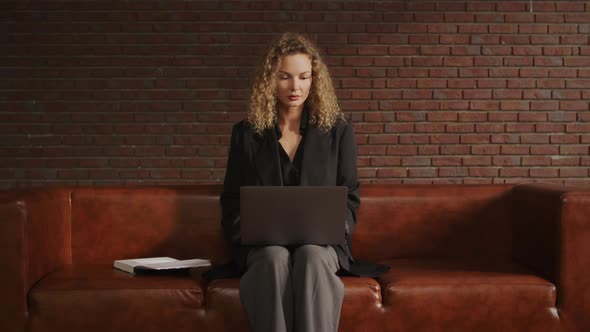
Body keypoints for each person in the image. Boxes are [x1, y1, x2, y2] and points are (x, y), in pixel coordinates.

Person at [212, 32, 389, 332]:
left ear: (314, 80)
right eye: (285, 77)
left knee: (311, 255)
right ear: (270, 80)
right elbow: (231, 200)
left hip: (321, 245)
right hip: (263, 247)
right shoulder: (245, 134)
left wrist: (336, 226)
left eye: (304, 77)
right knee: (274, 257)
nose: (296, 87)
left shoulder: (338, 131)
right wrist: (250, 231)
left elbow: (351, 197)